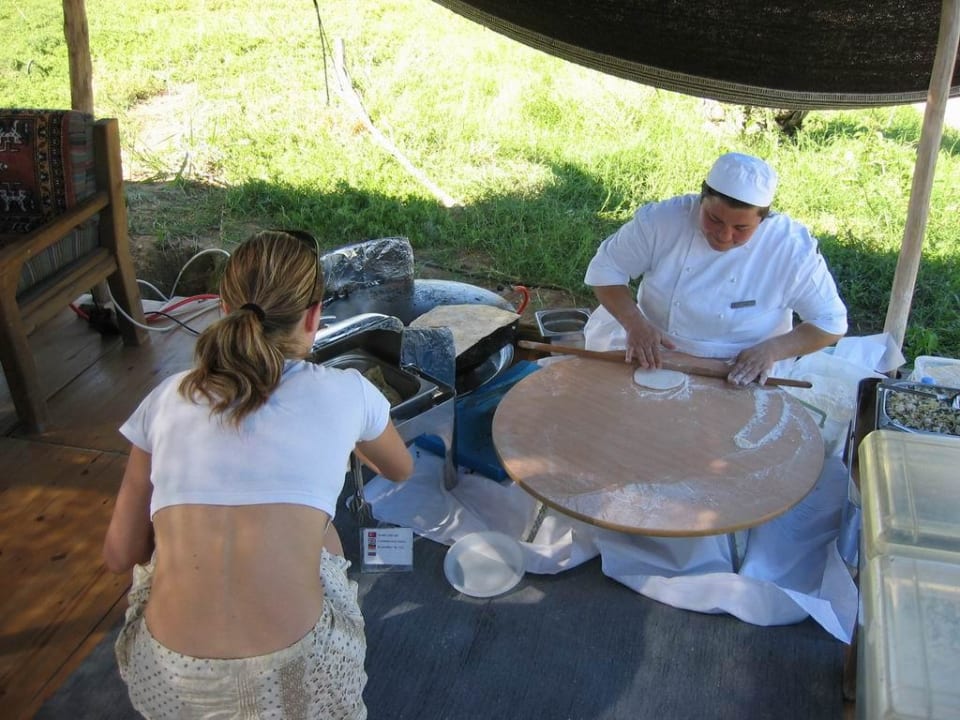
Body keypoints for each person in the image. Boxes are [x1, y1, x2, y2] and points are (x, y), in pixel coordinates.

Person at [103, 230, 413, 720]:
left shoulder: (166, 398)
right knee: (324, 531)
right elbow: (400, 468)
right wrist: (344, 442)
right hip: (297, 674)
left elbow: (121, 554)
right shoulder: (349, 392)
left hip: (169, 676)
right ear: (313, 316)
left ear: (223, 307)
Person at [583, 152, 848, 383]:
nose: (724, 235)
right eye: (714, 219)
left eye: (741, 228)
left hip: (743, 364)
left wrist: (772, 350)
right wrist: (634, 323)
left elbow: (830, 322)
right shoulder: (661, 222)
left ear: (763, 219)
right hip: (653, 345)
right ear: (701, 199)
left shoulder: (790, 249)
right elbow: (607, 268)